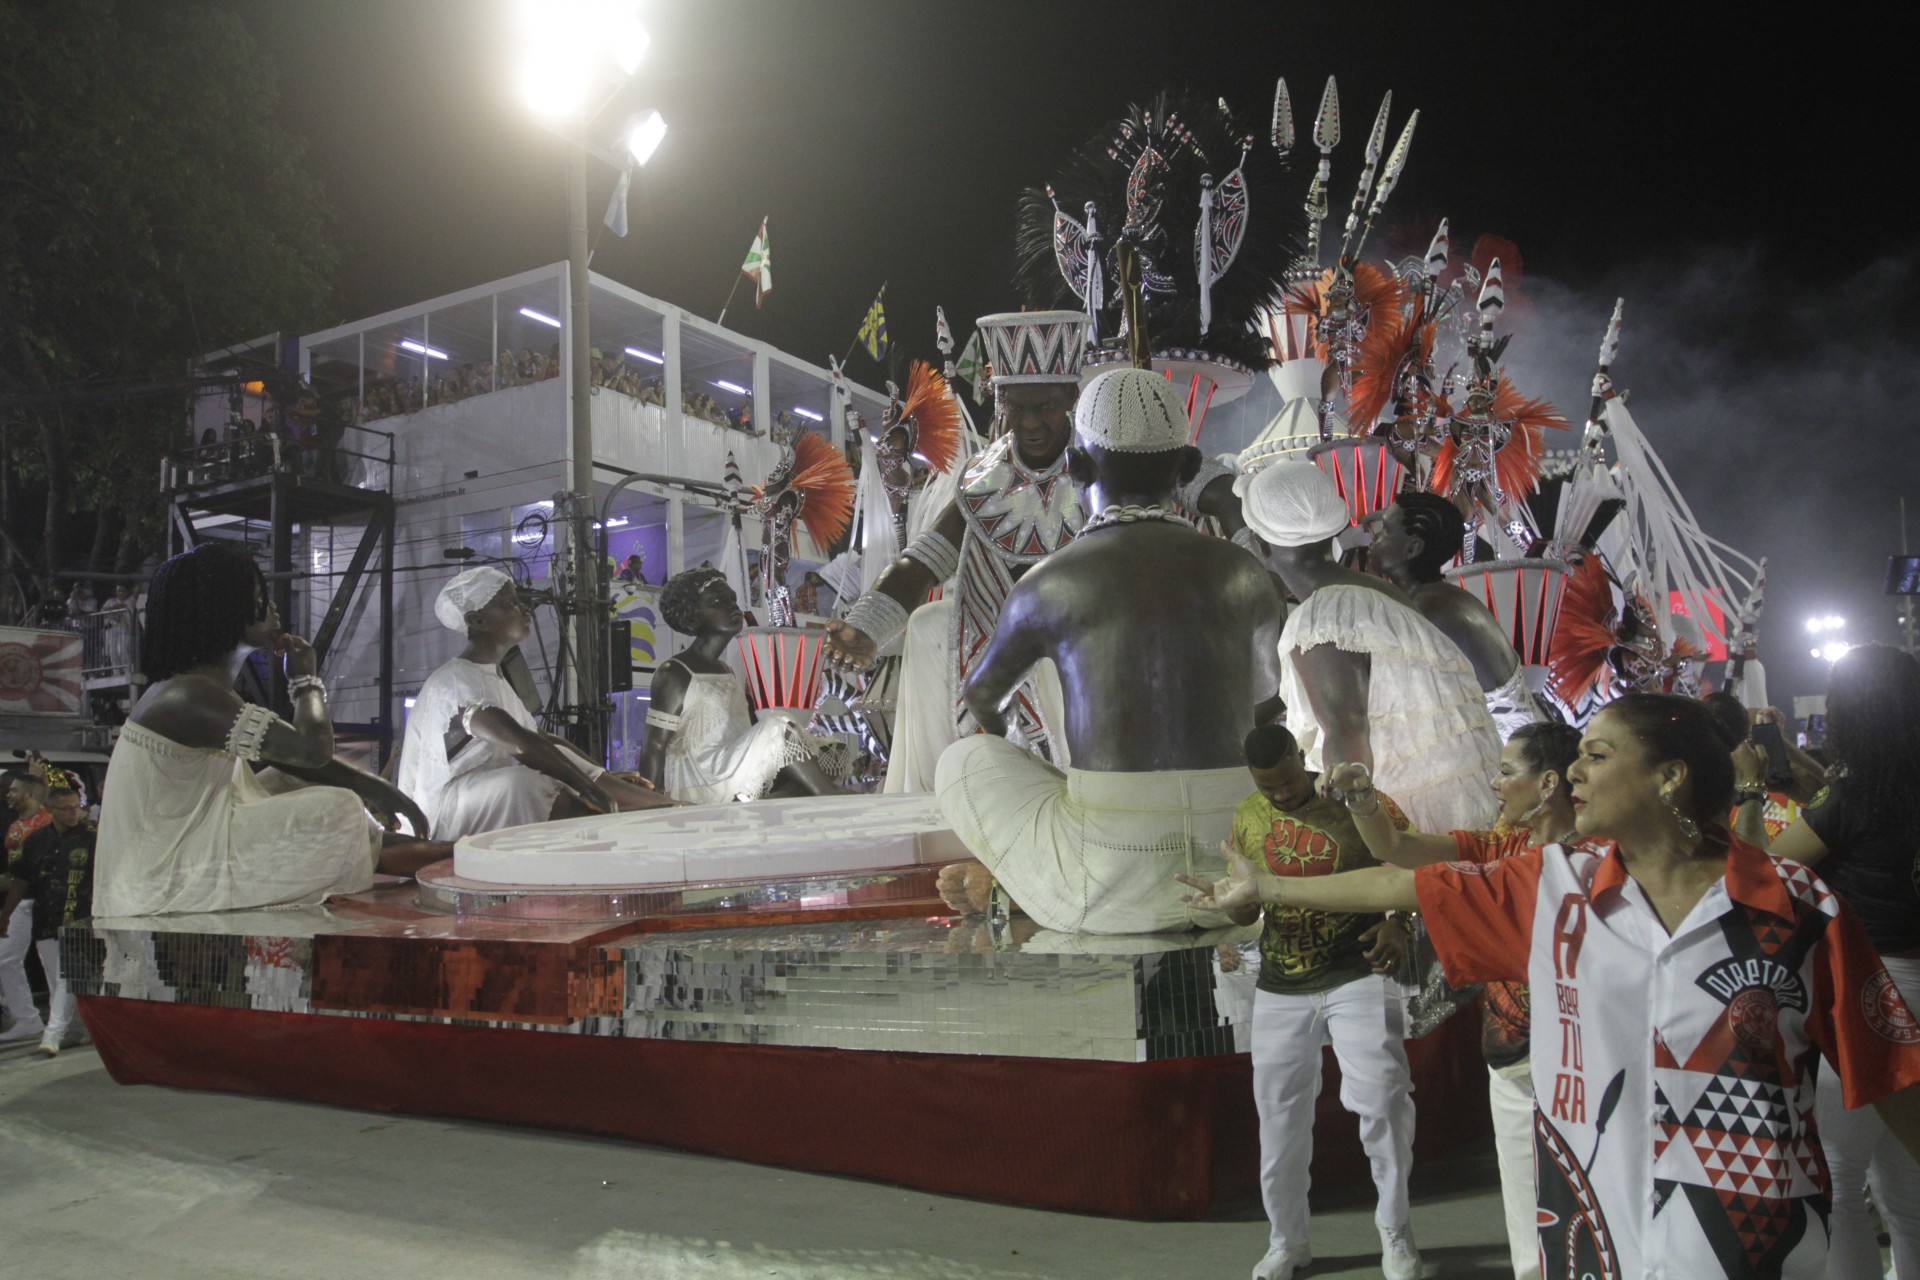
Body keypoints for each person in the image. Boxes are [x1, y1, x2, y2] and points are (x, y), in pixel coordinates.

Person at [1182, 692, 1920, 1280]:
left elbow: (1893, 1075)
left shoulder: (1795, 909)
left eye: (1597, 755)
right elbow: (1401, 879)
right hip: (1595, 1243)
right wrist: (1268, 885)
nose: (1573, 772)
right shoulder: (1555, 891)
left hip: (1754, 1246)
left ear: (1669, 777)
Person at [935, 367, 1283, 934]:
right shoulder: (1244, 572)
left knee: (963, 762)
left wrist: (1047, 769)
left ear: (1075, 467)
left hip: (1116, 862)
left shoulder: (1048, 583)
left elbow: (982, 700)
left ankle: (1054, 884)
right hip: (1235, 846)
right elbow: (1266, 703)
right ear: (1189, 469)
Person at [1326, 720, 1583, 1280]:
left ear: (1548, 784)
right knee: (1524, 1217)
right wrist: (1363, 798)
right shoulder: (1501, 843)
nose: (1495, 783)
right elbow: (1395, 849)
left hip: (1581, 1059)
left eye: (1508, 772)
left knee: (1592, 1204)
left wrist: (1270, 888)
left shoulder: (1598, 854)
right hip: (1510, 1060)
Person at [94, 543, 441, 917]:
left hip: (187, 849)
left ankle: (397, 848)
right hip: (165, 877)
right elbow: (312, 750)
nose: (274, 608)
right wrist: (306, 680)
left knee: (299, 780)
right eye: (260, 598)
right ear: (225, 612)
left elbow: (299, 762)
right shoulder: (190, 695)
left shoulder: (197, 689)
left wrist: (375, 787)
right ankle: (407, 852)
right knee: (338, 808)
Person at [827, 311, 1089, 792]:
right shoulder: (982, 475)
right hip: (998, 633)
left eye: (1046, 407)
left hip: (1087, 631)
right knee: (928, 625)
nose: (1030, 423)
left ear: (1072, 398)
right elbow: (926, 559)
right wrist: (866, 626)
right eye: (1017, 407)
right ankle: (946, 794)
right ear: (1000, 401)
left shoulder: (1101, 464)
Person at [1748, 645, 1920, 1279]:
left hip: (1874, 997)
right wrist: (1792, 759)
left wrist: (1747, 786)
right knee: (1910, 1191)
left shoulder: (1856, 795)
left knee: (1842, 1187)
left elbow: (1764, 869)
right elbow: (1842, 800)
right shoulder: (1879, 787)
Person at [1229, 724, 1419, 1280]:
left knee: (1384, 1099)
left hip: (1355, 969)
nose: (1282, 796)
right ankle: (1288, 1240)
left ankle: (1396, 1230)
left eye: (1288, 783)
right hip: (1280, 983)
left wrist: (1399, 924)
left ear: (1298, 756)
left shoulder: (1354, 803)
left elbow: (1410, 866)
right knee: (1279, 1117)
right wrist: (1231, 907)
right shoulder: (1246, 817)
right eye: (1270, 790)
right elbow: (1245, 904)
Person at [1242, 460, 1501, 833]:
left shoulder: (1324, 617)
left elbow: (1347, 734)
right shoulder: (1377, 592)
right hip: (1464, 814)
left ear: (1259, 544)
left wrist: (1346, 832)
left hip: (1419, 830)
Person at [400, 567, 672, 841]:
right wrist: (590, 789)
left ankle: (668, 811)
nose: (524, 609)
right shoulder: (455, 680)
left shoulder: (495, 678)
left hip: (475, 800)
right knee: (526, 783)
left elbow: (544, 740)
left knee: (551, 766)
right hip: (440, 815)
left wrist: (603, 777)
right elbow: (521, 743)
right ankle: (644, 822)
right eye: (511, 604)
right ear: (477, 620)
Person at [636, 567, 839, 804]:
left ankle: (766, 801)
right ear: (691, 616)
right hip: (704, 778)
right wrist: (647, 802)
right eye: (718, 601)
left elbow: (741, 728)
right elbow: (654, 744)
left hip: (734, 765)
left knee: (831, 752)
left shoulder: (727, 671)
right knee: (778, 724)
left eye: (732, 599)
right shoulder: (675, 673)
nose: (733, 607)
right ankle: (828, 795)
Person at [1365, 490, 1540, 738]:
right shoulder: (1438, 597)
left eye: (1385, 531)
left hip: (1503, 751)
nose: (1374, 537)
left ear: (1413, 547)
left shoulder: (1430, 609)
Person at [0, 785, 95, 1056]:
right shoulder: (36, 840)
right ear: (51, 810)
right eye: (66, 808)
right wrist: (6, 915)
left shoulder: (91, 838)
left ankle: (52, 1033)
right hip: (45, 920)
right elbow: (21, 880)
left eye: (76, 806)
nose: (73, 812)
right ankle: (77, 1031)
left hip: (79, 918)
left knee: (65, 976)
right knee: (58, 980)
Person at [0, 772, 51, 1043]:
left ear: (30, 795)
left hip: (41, 901)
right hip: (20, 900)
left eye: (14, 790)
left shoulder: (46, 824)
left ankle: (58, 1024)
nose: (8, 794)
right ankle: (28, 1020)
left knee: (52, 964)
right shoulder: (15, 824)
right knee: (6, 959)